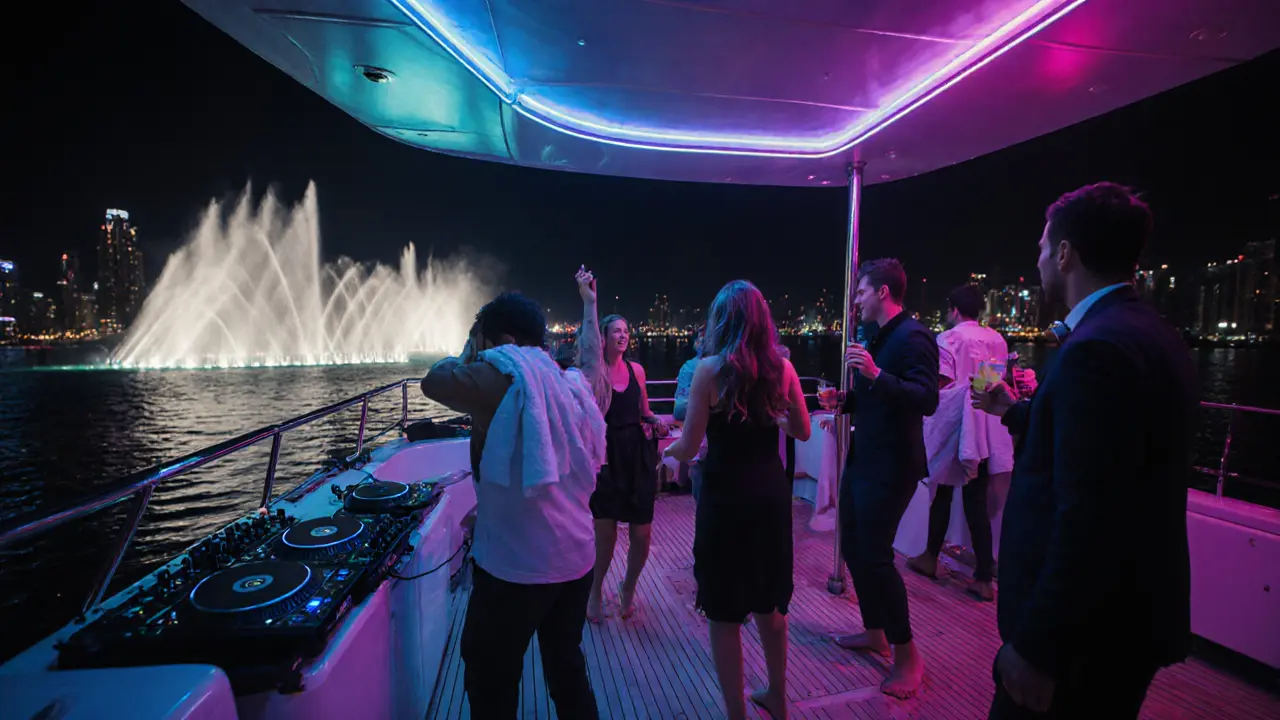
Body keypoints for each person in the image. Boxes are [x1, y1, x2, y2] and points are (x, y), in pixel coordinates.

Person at [973, 183, 1197, 718]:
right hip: (1130, 616)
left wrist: (1038, 646)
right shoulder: (1155, 335)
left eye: (1044, 248)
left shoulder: (1094, 349)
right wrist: (1019, 411)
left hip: (1080, 637)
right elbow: (1109, 458)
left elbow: (1090, 515)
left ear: (1067, 254)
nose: (1041, 260)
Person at [420, 292, 607, 719]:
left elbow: (434, 380)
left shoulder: (504, 377)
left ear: (503, 341)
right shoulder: (565, 380)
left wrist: (471, 345)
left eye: (483, 341)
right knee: (566, 666)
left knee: (491, 677)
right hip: (575, 559)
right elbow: (592, 363)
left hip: (517, 570)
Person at [662, 279, 810, 720]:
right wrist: (774, 416)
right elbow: (802, 430)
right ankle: (779, 699)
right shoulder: (783, 370)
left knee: (724, 613)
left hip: (726, 497)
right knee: (770, 604)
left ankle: (736, 714)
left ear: (721, 320)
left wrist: (666, 450)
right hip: (770, 494)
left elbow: (689, 449)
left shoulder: (709, 370)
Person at [832, 258, 939, 699]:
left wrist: (875, 374)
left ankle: (907, 654)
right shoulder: (876, 337)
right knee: (854, 546)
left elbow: (926, 398)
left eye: (860, 291)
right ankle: (874, 630)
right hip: (864, 458)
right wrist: (847, 399)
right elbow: (879, 397)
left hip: (893, 466)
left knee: (876, 556)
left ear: (882, 293)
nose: (855, 299)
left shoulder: (915, 337)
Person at [906, 284, 1015, 602]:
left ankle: (972, 573)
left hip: (956, 427)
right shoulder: (995, 339)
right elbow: (987, 385)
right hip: (986, 426)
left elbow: (943, 385)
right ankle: (970, 566)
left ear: (953, 309)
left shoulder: (948, 338)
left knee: (945, 491)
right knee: (973, 500)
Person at [574, 268, 667, 622]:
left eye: (627, 331)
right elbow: (586, 344)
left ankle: (628, 587)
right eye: (617, 330)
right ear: (604, 337)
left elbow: (643, 410)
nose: (624, 335)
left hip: (637, 457)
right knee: (606, 536)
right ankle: (595, 591)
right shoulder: (596, 373)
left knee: (642, 534)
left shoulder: (638, 371)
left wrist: (655, 421)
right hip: (606, 459)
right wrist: (590, 303)